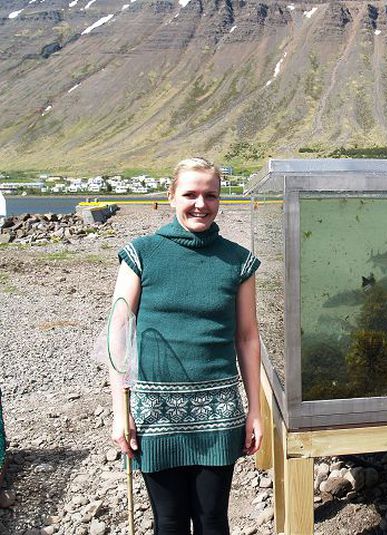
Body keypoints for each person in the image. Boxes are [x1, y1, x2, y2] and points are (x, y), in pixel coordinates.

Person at [109, 156, 263, 534]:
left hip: (219, 410)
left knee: (212, 519)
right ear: (171, 196)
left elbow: (247, 336)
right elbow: (119, 331)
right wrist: (119, 410)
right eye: (190, 194)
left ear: (220, 198)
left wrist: (255, 411)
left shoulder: (238, 261)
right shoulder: (141, 254)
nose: (201, 204)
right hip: (155, 412)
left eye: (210, 195)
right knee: (170, 520)